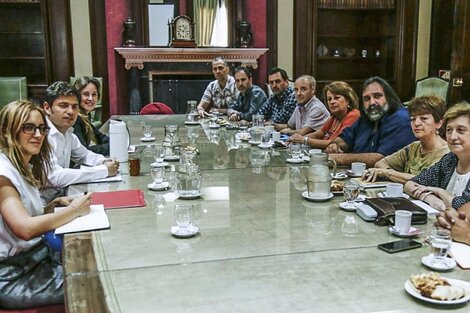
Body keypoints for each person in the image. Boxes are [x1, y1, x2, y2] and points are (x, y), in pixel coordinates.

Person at [0, 100, 92, 309]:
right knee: (92, 281)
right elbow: (24, 228)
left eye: (42, 128)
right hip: (14, 276)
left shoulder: (21, 165)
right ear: (7, 131)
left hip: (36, 261)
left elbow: (23, 214)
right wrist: (74, 211)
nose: (38, 135)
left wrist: (54, 205)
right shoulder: (3, 174)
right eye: (28, 127)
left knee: (93, 266)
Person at [42, 81, 119, 203]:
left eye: (74, 106)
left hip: (62, 198)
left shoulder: (68, 133)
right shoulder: (41, 134)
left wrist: (104, 161)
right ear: (47, 108)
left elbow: (85, 155)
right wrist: (103, 170)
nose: (70, 112)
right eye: (63, 105)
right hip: (42, 206)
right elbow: (54, 177)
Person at [325, 76, 416, 167]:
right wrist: (335, 145)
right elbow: (344, 138)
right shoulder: (365, 118)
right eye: (367, 99)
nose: (372, 102)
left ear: (389, 98)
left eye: (377, 96)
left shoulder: (401, 118)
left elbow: (382, 159)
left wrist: (338, 158)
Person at [363, 95, 449, 184]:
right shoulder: (413, 147)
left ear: (439, 123)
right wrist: (389, 173)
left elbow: (424, 180)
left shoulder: (446, 153)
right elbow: (380, 164)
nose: (417, 123)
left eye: (424, 118)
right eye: (413, 119)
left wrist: (388, 173)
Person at [405, 102, 470, 211]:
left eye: (460, 130)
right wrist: (430, 198)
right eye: (449, 130)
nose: (453, 137)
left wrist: (440, 191)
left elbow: (464, 207)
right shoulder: (451, 159)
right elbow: (411, 184)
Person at [289, 81, 360, 148]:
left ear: (348, 100)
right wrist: (297, 139)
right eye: (329, 99)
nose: (332, 102)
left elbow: (337, 143)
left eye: (336, 98)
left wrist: (304, 140)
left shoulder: (353, 115)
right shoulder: (334, 117)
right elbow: (318, 134)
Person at [72, 76, 109, 156]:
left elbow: (100, 137)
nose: (90, 98)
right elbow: (84, 151)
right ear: (77, 96)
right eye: (86, 94)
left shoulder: (85, 115)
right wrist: (113, 146)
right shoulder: (75, 118)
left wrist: (118, 141)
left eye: (94, 94)